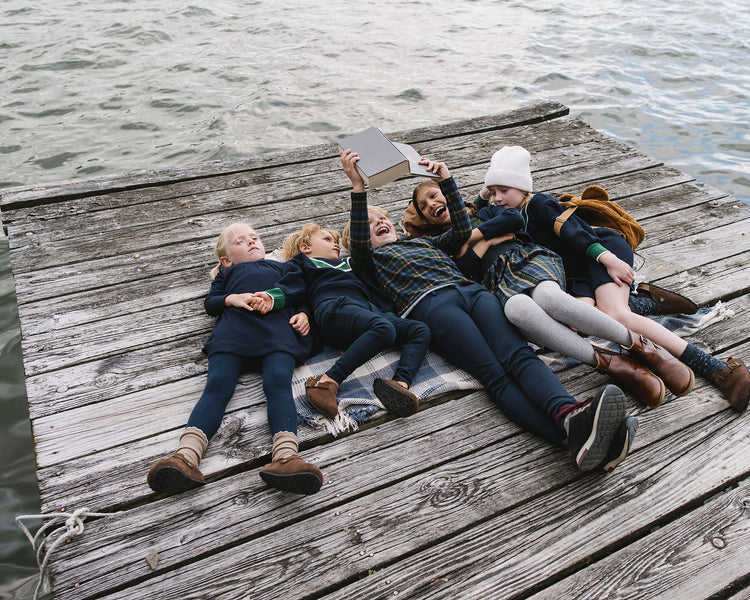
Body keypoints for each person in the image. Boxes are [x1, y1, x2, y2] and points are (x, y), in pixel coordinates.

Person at [339, 147, 632, 472]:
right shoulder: (368, 260)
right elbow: (360, 245)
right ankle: (569, 436)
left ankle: (572, 415)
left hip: (474, 293)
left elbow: (461, 231)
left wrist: (446, 179)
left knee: (520, 356)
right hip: (431, 305)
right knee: (496, 376)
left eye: (382, 218)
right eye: (369, 223)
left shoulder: (424, 242)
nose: (379, 222)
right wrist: (358, 188)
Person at [481, 145, 750, 412]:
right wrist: (487, 191)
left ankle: (715, 368)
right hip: (574, 274)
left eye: (504, 190)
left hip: (599, 252)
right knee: (579, 320)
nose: (497, 198)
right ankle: (645, 302)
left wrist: (607, 258)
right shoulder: (509, 215)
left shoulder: (539, 203)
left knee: (616, 315)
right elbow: (476, 207)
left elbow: (573, 231)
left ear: (523, 188)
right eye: (493, 192)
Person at [404, 181, 696, 409]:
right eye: (424, 206)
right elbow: (464, 268)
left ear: (449, 194)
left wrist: (472, 239)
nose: (432, 204)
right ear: (426, 219)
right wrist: (487, 241)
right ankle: (613, 364)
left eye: (434, 195)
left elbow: (513, 221)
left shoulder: (483, 212)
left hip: (528, 259)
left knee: (548, 298)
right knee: (517, 311)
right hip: (498, 280)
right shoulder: (441, 244)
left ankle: (642, 347)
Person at [146, 223, 324, 496]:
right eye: (240, 241)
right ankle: (185, 457)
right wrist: (231, 298)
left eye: (254, 238)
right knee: (217, 385)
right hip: (233, 333)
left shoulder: (281, 267)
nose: (251, 242)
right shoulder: (228, 273)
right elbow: (211, 303)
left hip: (277, 332)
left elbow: (298, 293)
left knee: (278, 382)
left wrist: (304, 314)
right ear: (226, 260)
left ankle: (287, 457)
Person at [268, 223, 431, 418]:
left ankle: (400, 384)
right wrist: (271, 298)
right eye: (327, 239)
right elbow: (291, 288)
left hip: (367, 313)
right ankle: (327, 381)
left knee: (419, 330)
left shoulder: (350, 263)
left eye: (337, 241)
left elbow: (375, 292)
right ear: (305, 248)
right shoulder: (303, 263)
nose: (336, 244)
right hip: (334, 308)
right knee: (384, 329)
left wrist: (389, 315)